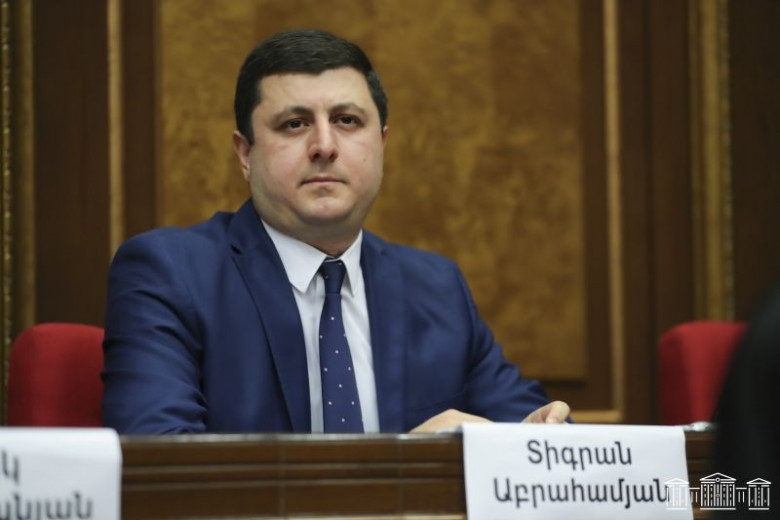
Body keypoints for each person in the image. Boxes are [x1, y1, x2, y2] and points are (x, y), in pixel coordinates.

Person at [101, 29, 570, 434]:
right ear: (245, 154)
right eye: (294, 124)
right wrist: (403, 465)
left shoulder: (437, 288)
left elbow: (534, 434)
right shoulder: (170, 274)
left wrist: (541, 437)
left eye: (347, 121)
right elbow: (161, 467)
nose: (324, 146)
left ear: (381, 144)